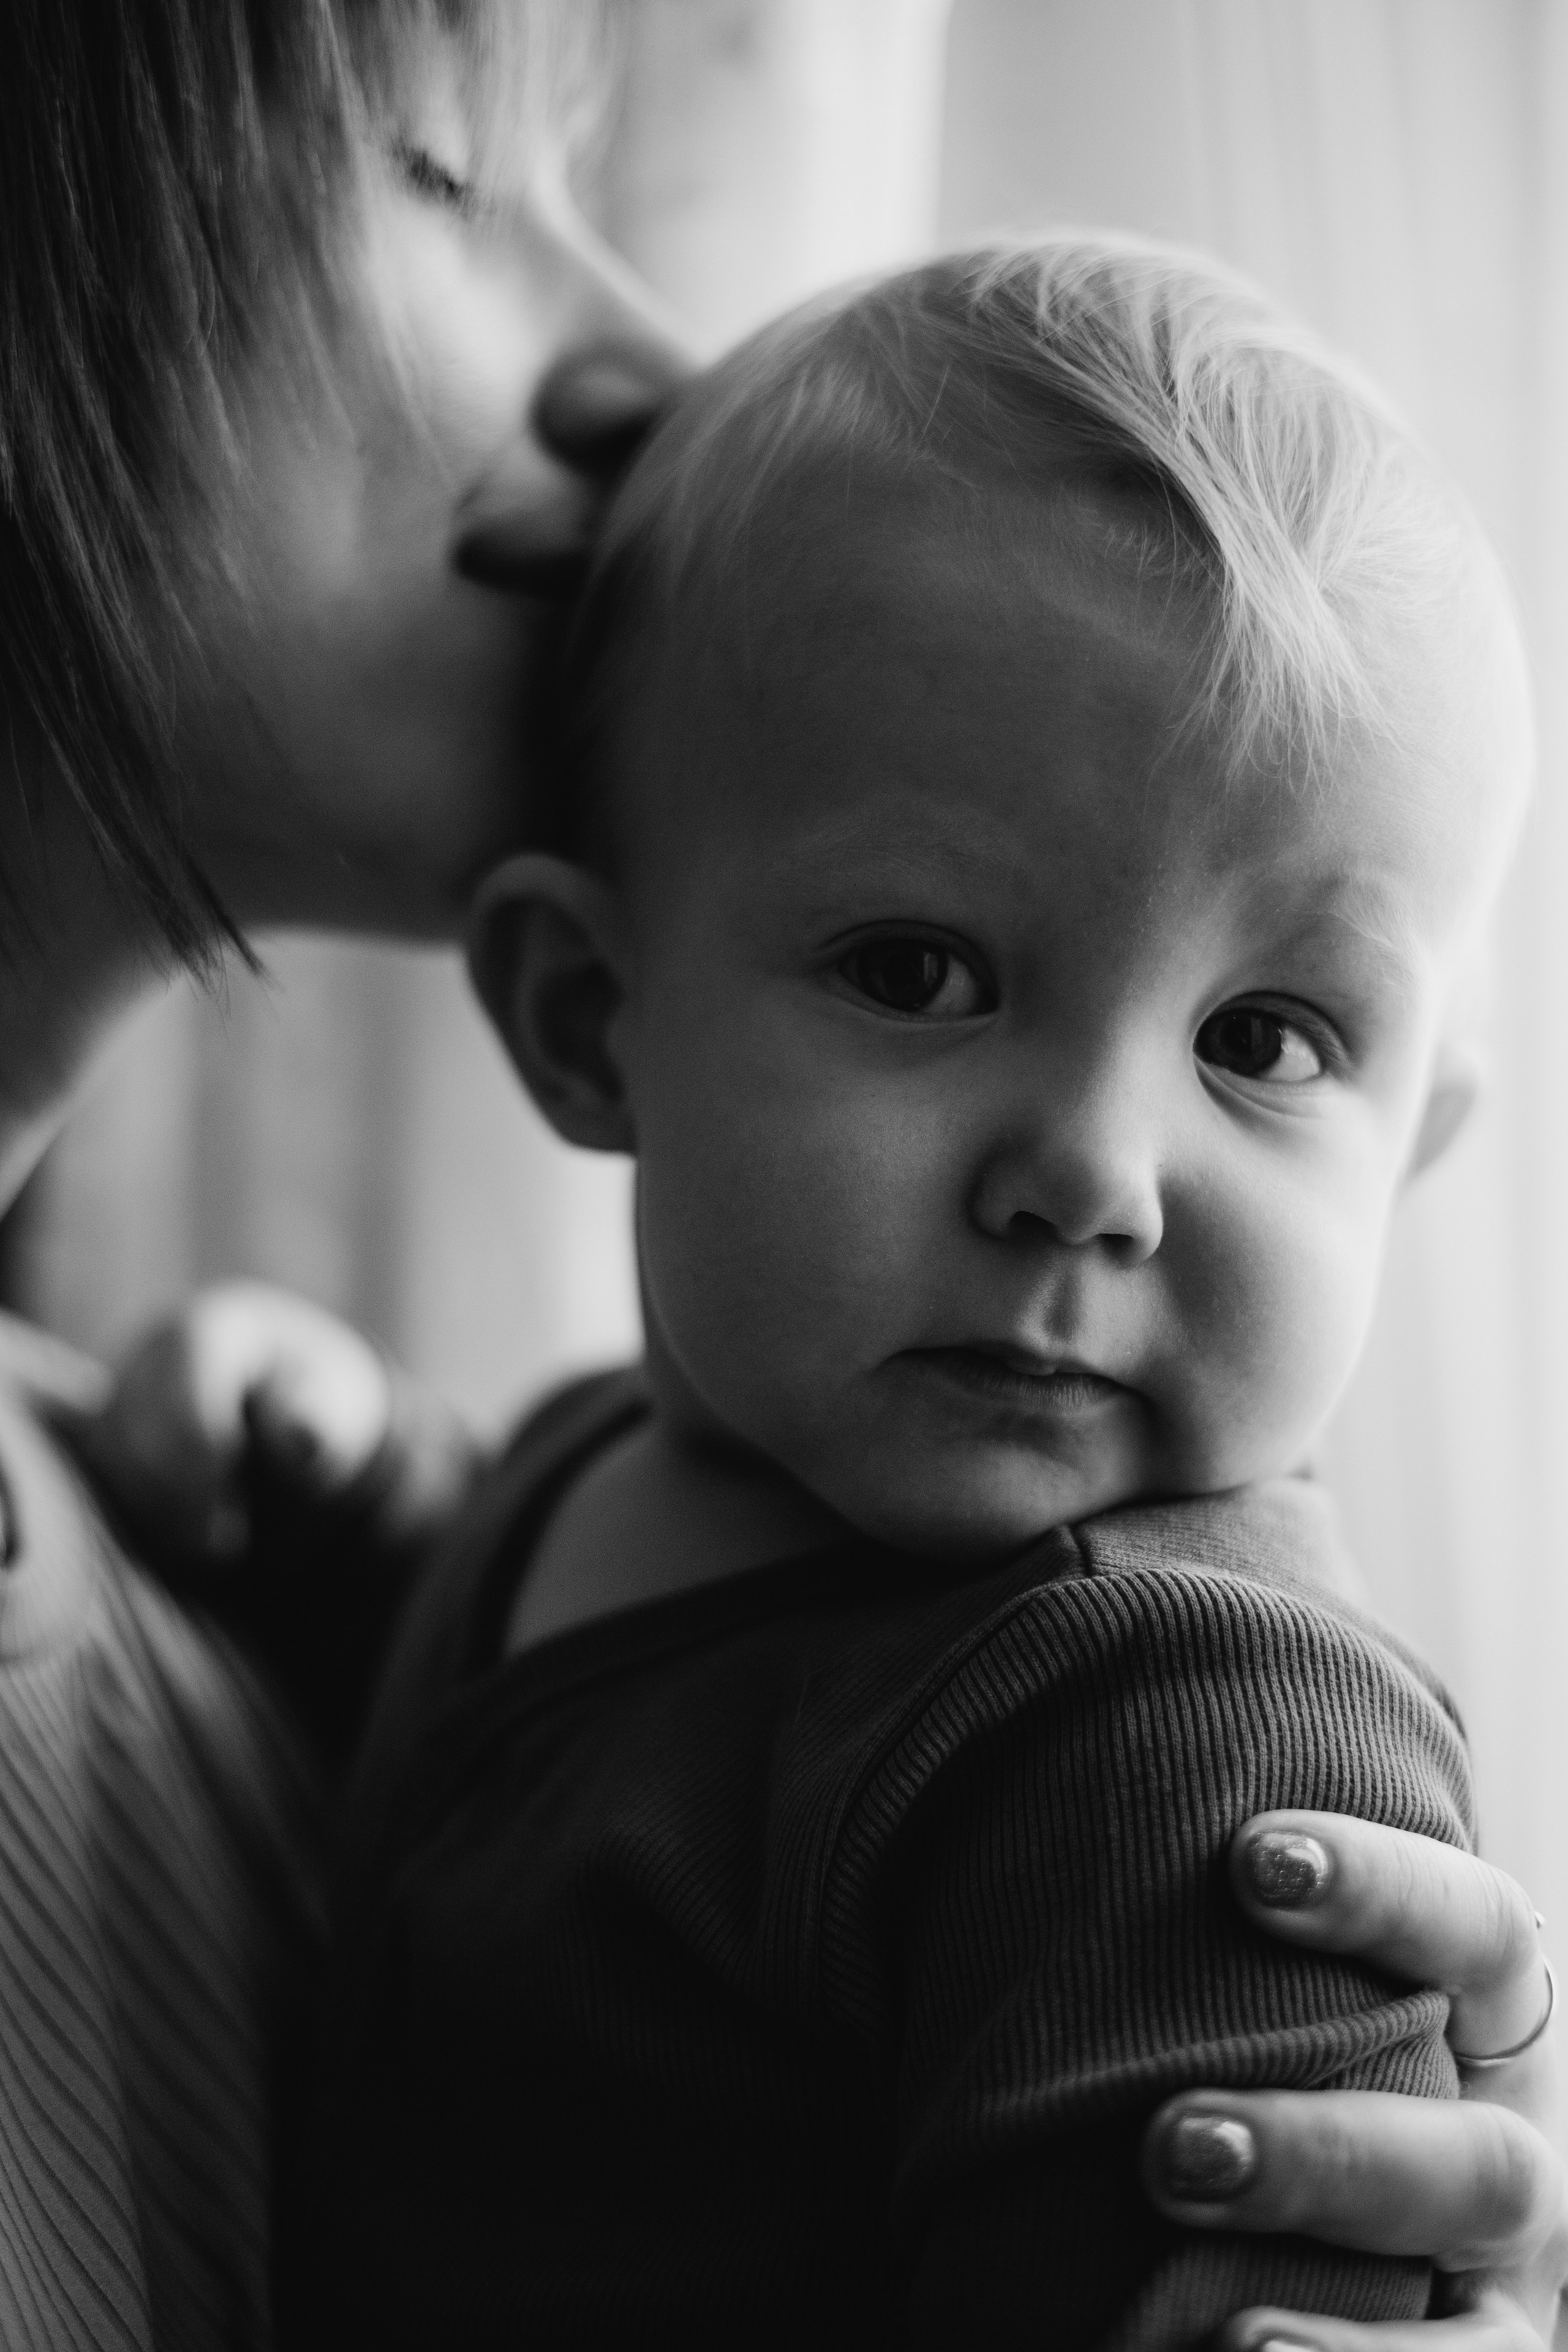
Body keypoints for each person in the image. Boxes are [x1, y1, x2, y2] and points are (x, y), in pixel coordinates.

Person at [0, 1, 1561, 2345]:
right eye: (439, 181)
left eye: (1265, 1043)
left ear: (1414, 1146)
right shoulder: (613, 1485)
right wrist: (350, 1528)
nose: (1094, 1174)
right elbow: (558, 1760)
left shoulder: (1180, 1734)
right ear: (580, 1018)